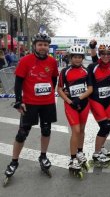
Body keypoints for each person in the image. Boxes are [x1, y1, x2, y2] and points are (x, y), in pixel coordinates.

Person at [4, 33, 58, 183]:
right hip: (30, 103)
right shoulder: (25, 61)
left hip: (47, 103)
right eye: (40, 44)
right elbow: (18, 83)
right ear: (34, 46)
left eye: (45, 45)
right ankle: (14, 161)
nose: (43, 47)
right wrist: (18, 101)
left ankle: (43, 155)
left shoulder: (52, 62)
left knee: (46, 130)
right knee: (22, 133)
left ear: (48, 47)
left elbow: (53, 79)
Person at [57, 45, 93, 177]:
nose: (77, 59)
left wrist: (79, 98)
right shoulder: (64, 71)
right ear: (70, 58)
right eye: (75, 57)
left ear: (82, 58)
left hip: (83, 104)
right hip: (71, 105)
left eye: (79, 57)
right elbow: (59, 89)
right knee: (76, 131)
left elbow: (90, 88)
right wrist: (69, 101)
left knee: (82, 130)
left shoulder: (86, 71)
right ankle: (72, 159)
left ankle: (80, 152)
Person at [87, 43, 110, 167]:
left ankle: (101, 147)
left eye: (108, 54)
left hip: (107, 100)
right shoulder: (92, 66)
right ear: (99, 54)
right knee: (105, 126)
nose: (105, 56)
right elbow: (84, 80)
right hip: (95, 100)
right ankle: (96, 153)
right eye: (103, 54)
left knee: (109, 126)